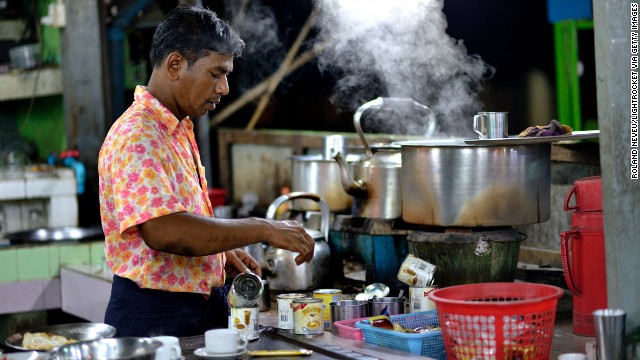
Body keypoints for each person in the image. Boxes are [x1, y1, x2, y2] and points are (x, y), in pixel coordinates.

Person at [98, 5, 315, 338]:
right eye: (216, 73)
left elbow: (179, 216)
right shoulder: (139, 135)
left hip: (196, 307)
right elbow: (164, 230)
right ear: (175, 65)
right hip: (155, 316)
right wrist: (262, 228)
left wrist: (219, 253)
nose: (224, 88)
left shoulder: (175, 127)